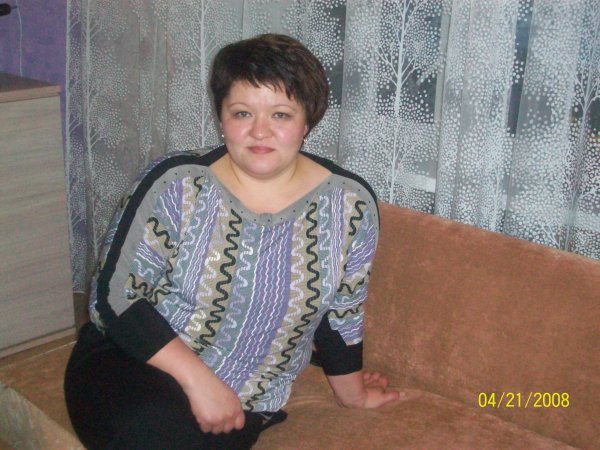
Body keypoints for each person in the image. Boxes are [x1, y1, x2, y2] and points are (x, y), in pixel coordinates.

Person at [64, 33, 399, 450]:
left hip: (248, 395)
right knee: (153, 434)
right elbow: (113, 297)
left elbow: (342, 312)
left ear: (306, 122)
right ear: (222, 119)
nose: (259, 131)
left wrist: (354, 395)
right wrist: (200, 382)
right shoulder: (178, 183)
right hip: (133, 362)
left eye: (280, 115)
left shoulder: (350, 204)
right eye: (242, 113)